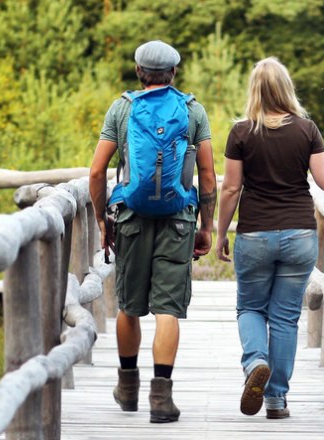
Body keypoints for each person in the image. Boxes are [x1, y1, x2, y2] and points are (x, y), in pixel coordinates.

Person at [215, 57, 324, 419]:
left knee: (250, 307)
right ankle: (277, 400)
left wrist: (220, 233)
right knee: (283, 318)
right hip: (299, 235)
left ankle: (255, 362)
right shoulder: (307, 129)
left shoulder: (240, 133)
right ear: (286, 88)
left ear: (254, 90)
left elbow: (231, 188)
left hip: (255, 235)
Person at [89, 40, 217, 424]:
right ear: (174, 73)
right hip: (179, 218)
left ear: (138, 71)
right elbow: (208, 174)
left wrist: (101, 219)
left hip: (131, 217)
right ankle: (160, 398)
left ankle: (127, 389)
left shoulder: (122, 108)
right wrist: (206, 226)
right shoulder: (193, 110)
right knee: (167, 309)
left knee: (129, 304)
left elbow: (96, 172)